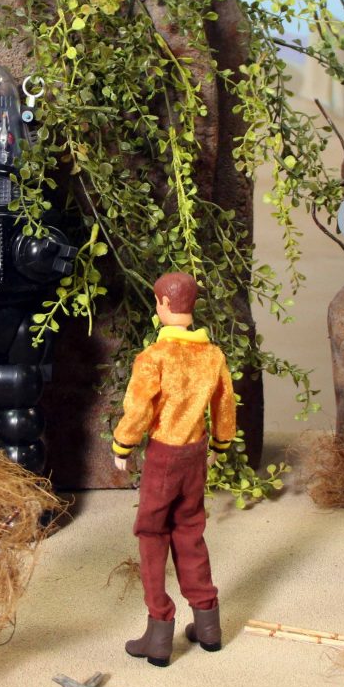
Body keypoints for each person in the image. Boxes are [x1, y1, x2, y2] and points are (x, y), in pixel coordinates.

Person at [111, 271, 236, 667]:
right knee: (190, 529)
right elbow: (225, 405)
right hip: (196, 453)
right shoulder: (212, 355)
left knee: (152, 533)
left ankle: (159, 630)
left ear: (163, 304)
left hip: (164, 455)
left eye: (157, 302)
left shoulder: (154, 357)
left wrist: (123, 444)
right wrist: (220, 444)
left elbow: (139, 407)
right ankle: (208, 623)